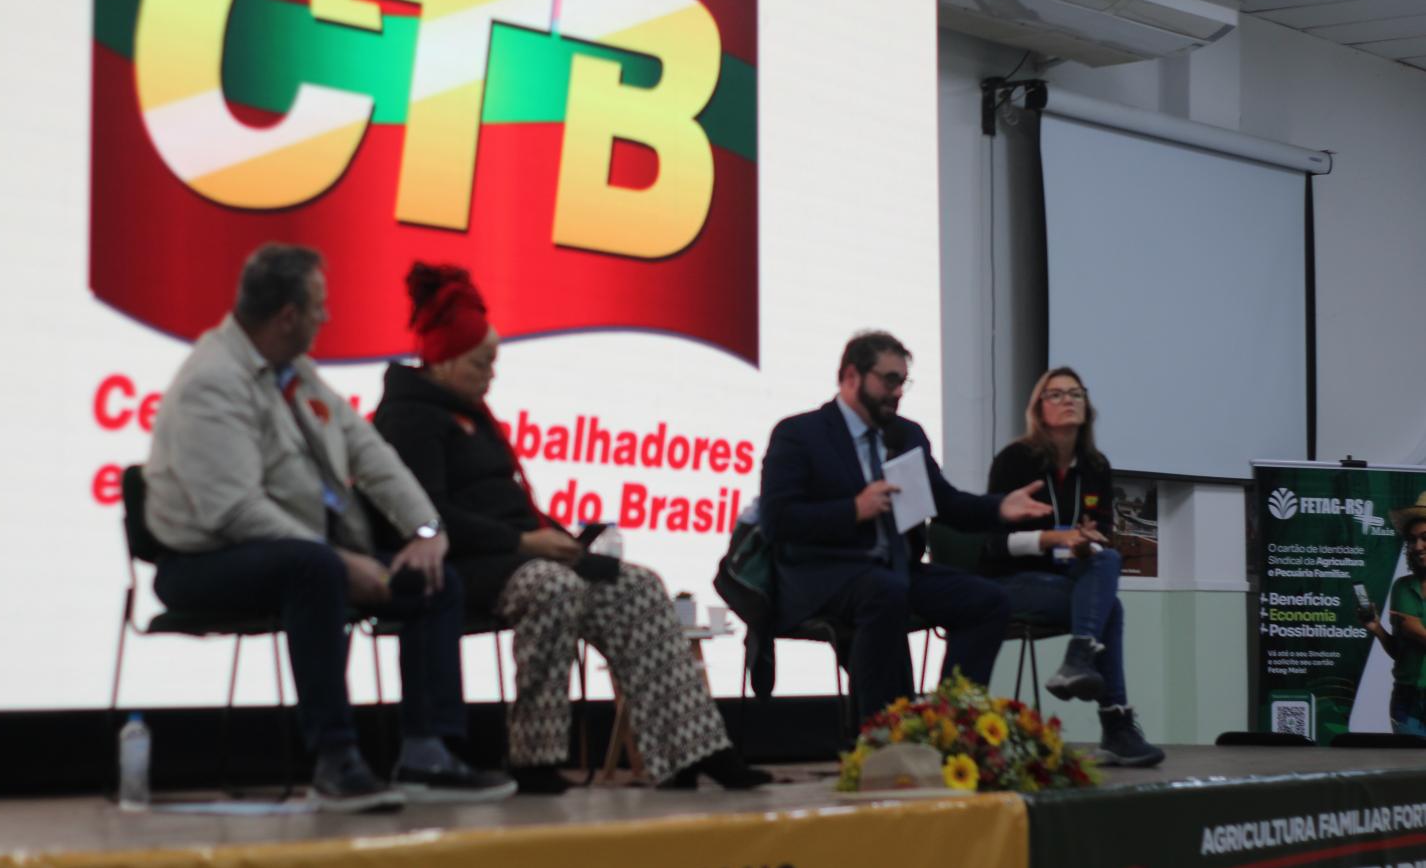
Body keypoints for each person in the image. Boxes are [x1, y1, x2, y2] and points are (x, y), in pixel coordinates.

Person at [372, 263, 771, 795]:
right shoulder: (409, 417)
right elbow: (427, 514)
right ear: (444, 359)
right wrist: (524, 542)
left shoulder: (472, 414)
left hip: (513, 553)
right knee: (552, 586)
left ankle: (691, 749)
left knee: (637, 587)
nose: (491, 375)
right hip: (458, 562)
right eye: (480, 363)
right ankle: (534, 757)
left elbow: (508, 504)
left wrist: (557, 537)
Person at [144, 244, 515, 812]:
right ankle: (335, 760)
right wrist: (343, 562)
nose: (328, 317)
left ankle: (427, 754)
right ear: (287, 316)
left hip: (297, 552)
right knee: (315, 569)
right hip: (203, 561)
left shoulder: (296, 374)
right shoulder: (212, 383)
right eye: (319, 306)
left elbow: (371, 452)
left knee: (435, 579)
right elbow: (236, 512)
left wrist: (427, 530)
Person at [758, 330, 1053, 722]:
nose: (897, 392)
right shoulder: (800, 434)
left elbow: (946, 503)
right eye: (889, 380)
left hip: (895, 571)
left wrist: (999, 508)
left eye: (903, 382)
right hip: (823, 574)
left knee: (987, 600)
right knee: (885, 593)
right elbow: (777, 521)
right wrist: (853, 510)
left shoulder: (906, 434)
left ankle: (947, 722)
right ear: (851, 376)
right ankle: (883, 732)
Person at [982, 366, 1164, 767]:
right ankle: (1115, 724)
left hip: (1068, 576)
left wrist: (1085, 543)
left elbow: (1102, 533)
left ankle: (1079, 658)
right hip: (1010, 579)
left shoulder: (1096, 466)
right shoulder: (1014, 461)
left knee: (1107, 557)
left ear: (1087, 407)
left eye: (1076, 394)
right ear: (1039, 409)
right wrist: (1053, 539)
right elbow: (993, 543)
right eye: (1057, 394)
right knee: (1110, 607)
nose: (1068, 400)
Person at [1362, 495, 1426, 736]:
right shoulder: (1402, 587)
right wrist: (1378, 629)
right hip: (1406, 699)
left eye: (1425, 538)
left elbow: (1414, 632)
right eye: (1412, 540)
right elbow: (1401, 652)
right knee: (1407, 760)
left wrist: (1415, 630)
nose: (1417, 547)